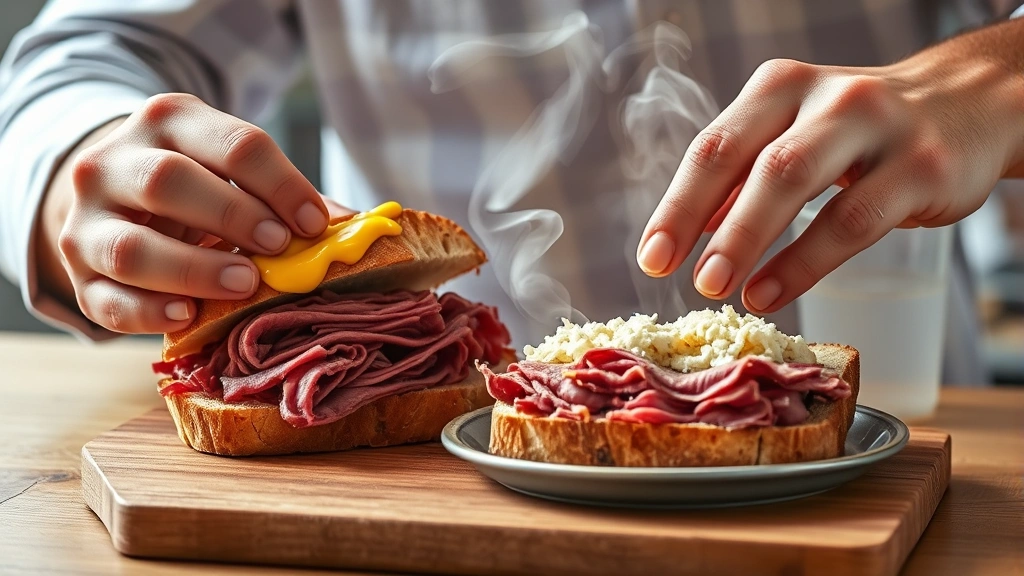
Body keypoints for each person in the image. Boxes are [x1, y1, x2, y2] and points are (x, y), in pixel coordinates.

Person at [0, 1, 1018, 384]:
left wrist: (1004, 70)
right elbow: (96, 47)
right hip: (429, 484)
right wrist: (76, 159)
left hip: (906, 443)